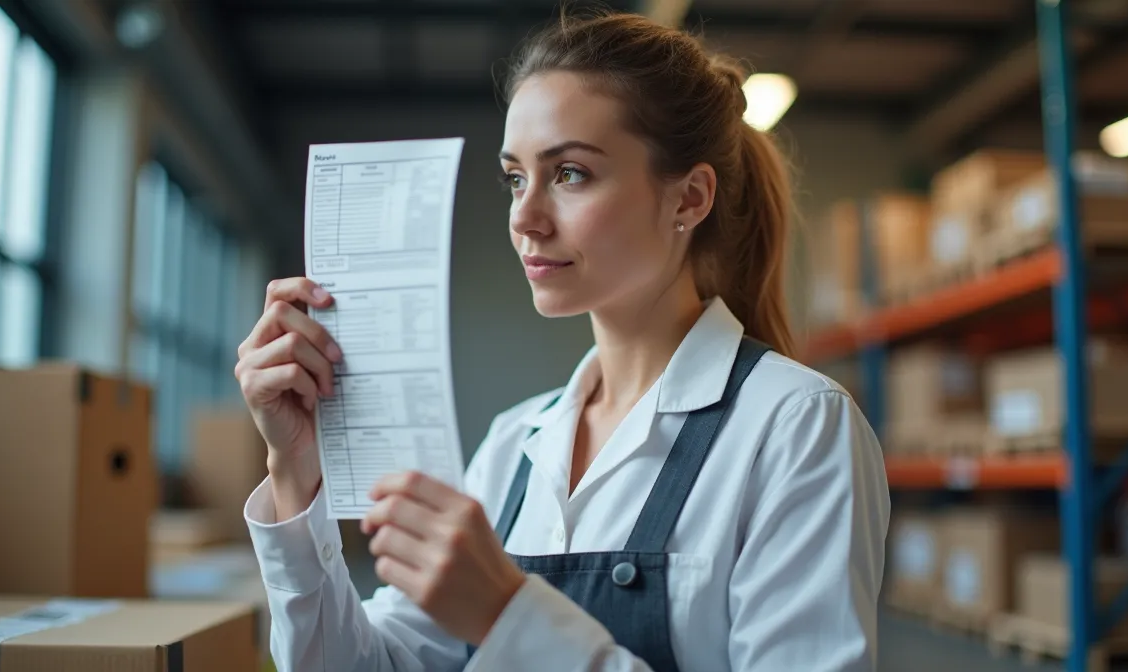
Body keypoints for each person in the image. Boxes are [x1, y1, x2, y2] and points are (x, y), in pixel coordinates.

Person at [236, 9, 890, 672]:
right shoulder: (514, 445)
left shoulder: (796, 428)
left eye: (570, 173)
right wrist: (294, 472)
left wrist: (507, 617)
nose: (524, 217)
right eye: (515, 178)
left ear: (689, 199)